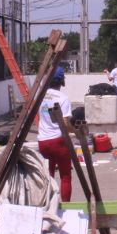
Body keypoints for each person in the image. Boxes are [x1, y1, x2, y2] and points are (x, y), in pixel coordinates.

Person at [36, 67, 73, 202]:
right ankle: (66, 207)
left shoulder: (41, 95)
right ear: (62, 81)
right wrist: (76, 130)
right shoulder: (63, 98)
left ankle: (47, 203)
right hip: (58, 141)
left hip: (43, 142)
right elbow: (66, 123)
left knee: (48, 175)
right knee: (65, 176)